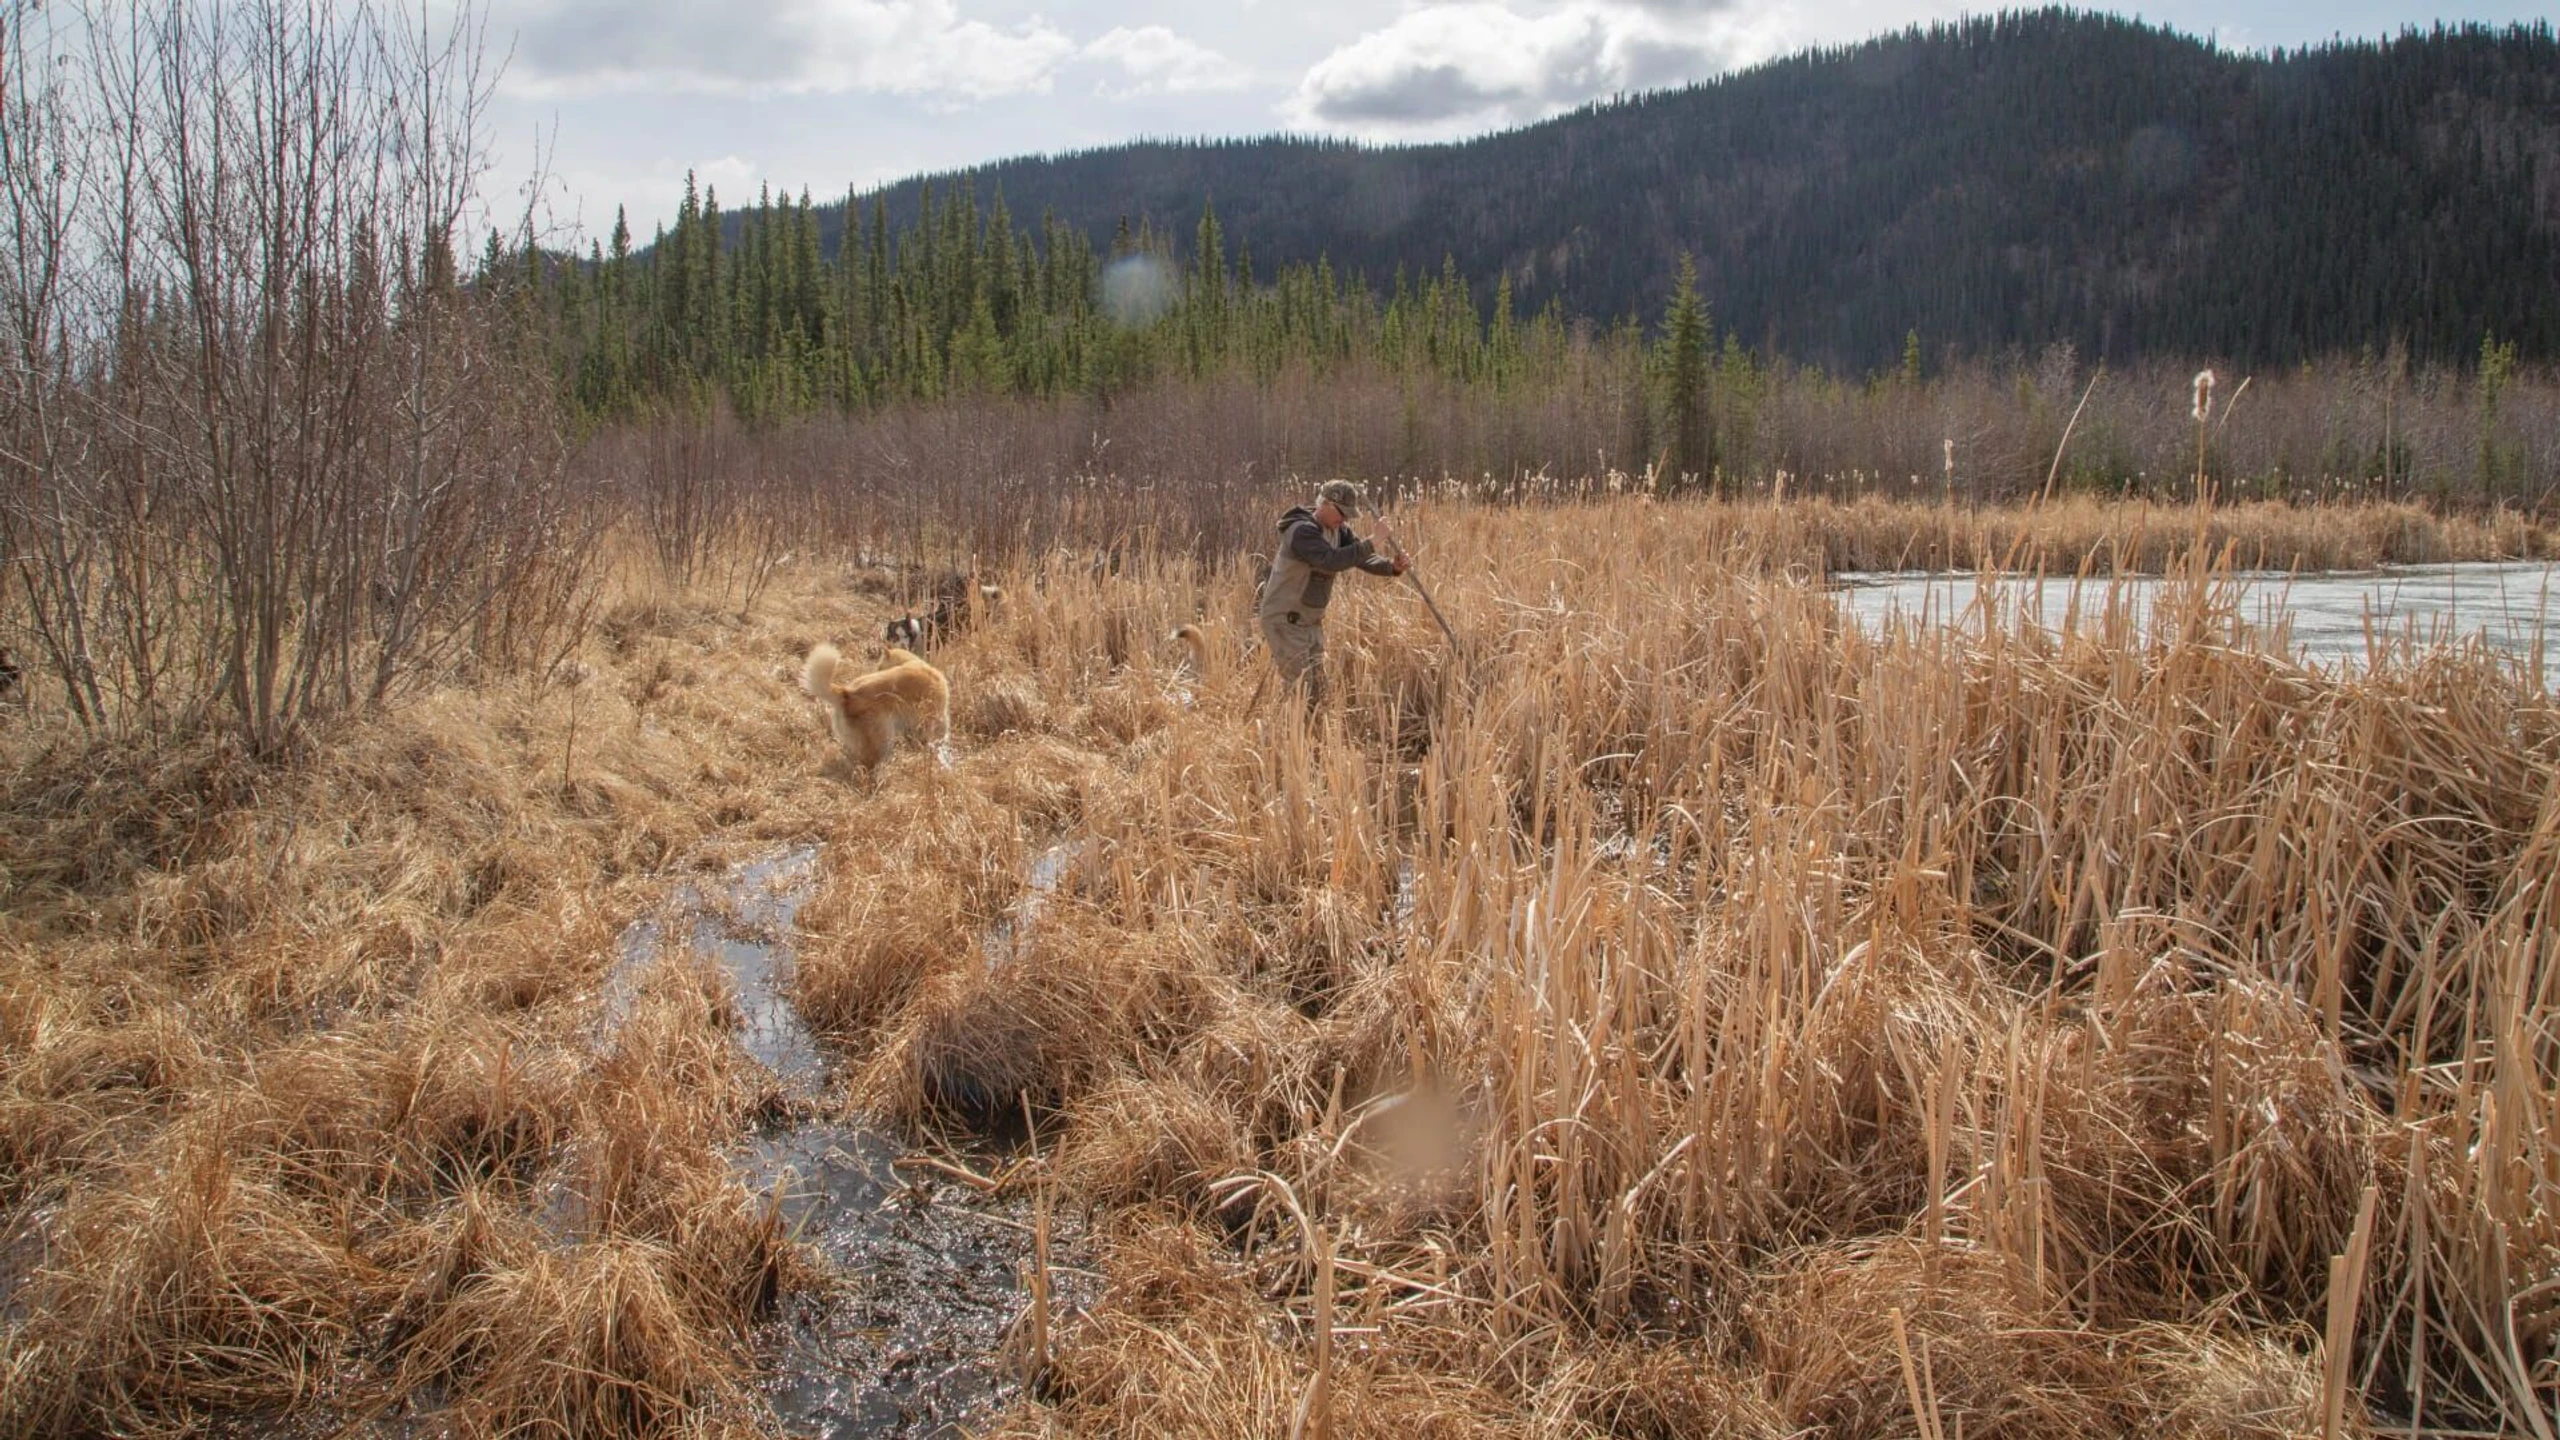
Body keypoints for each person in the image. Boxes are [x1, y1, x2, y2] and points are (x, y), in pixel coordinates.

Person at [1257, 479, 1407, 704]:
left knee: (1317, 687)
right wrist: (1374, 539)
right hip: (1285, 620)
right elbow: (1331, 560)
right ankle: (1284, 735)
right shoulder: (1302, 531)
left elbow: (1360, 557)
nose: (1345, 519)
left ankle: (1309, 735)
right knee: (1299, 690)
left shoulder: (1339, 530)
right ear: (1325, 503)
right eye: (1342, 513)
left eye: (1348, 515)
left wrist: (1391, 567)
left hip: (1309, 622)